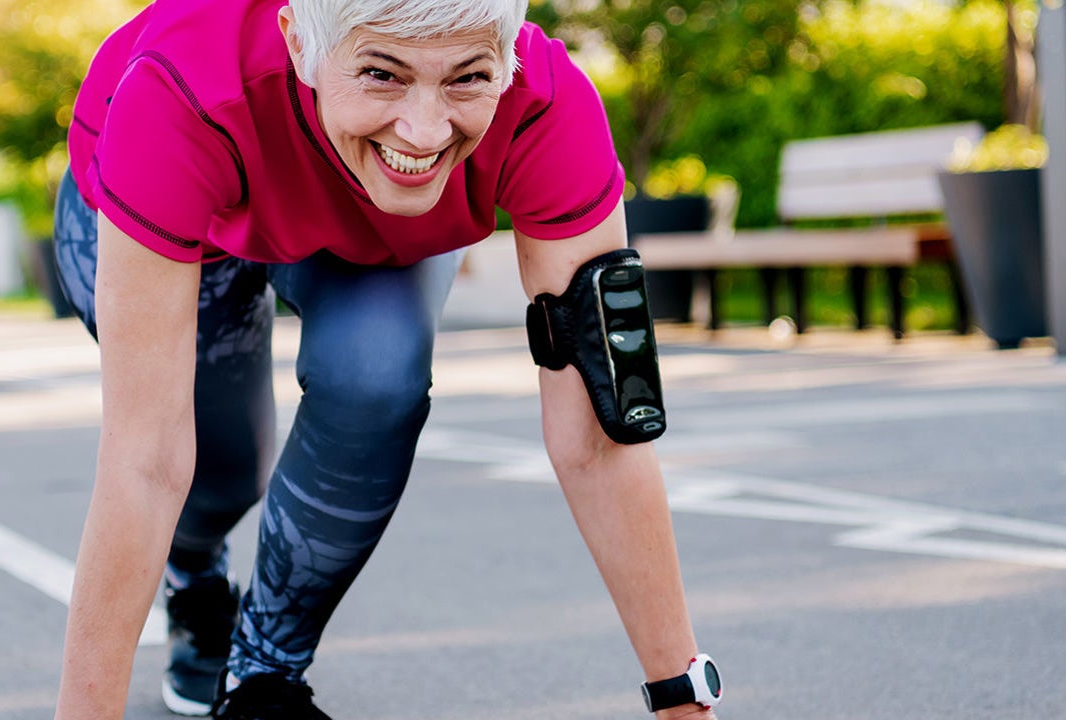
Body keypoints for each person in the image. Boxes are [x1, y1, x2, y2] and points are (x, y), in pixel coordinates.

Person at [52, 0, 721, 718]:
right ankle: (194, 574)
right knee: (220, 473)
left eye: (467, 78)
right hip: (183, 190)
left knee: (378, 376)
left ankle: (264, 674)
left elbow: (599, 435)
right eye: (381, 73)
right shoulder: (181, 89)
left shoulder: (545, 105)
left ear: (507, 62)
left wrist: (683, 701)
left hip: (372, 222)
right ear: (300, 44)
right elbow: (145, 461)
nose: (425, 130)